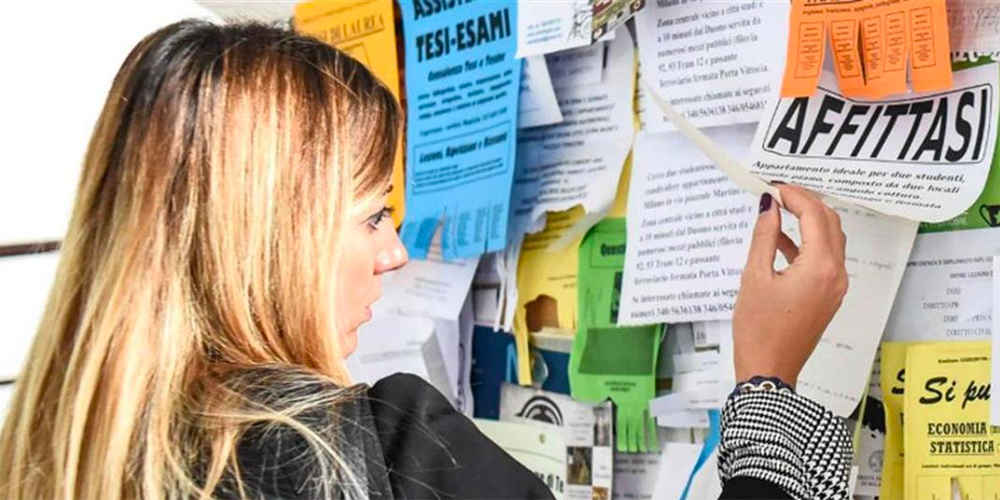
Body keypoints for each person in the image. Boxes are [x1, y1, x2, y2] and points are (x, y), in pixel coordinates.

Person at [0, 20, 851, 500]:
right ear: (269, 234)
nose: (395, 253)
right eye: (372, 215)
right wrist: (768, 383)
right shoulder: (379, 455)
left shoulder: (53, 460)